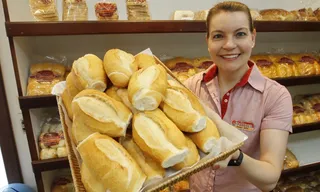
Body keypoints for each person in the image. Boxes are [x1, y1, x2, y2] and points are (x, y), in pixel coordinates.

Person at [183, 1, 293, 192]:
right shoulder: (190, 88)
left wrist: (236, 156)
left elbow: (270, 178)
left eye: (240, 34)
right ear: (207, 41)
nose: (229, 45)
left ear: (253, 37)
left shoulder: (275, 96)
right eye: (218, 36)